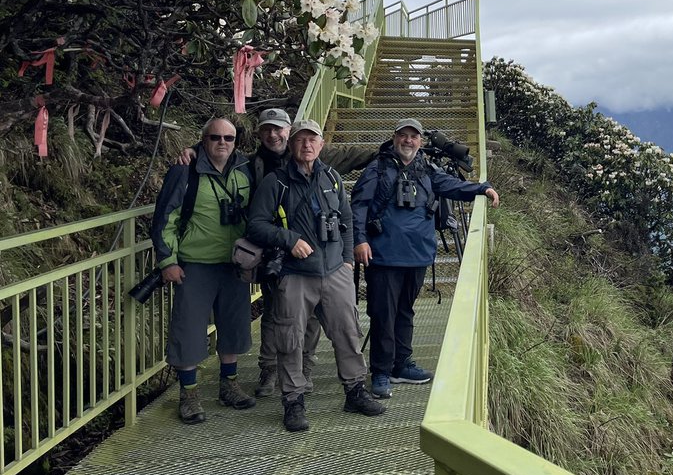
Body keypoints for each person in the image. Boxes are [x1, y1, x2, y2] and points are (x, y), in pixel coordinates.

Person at [177, 107, 378, 397]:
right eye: (267, 129)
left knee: (315, 319)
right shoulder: (250, 164)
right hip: (275, 255)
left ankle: (306, 370)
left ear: (291, 132)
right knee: (277, 314)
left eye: (279, 128)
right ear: (260, 133)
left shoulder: (325, 168)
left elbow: (350, 165)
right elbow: (219, 150)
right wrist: (194, 151)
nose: (273, 134)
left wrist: (388, 150)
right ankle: (271, 371)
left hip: (324, 261)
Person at [246, 119, 385, 432]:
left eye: (313, 139)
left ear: (322, 145)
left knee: (348, 332)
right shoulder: (276, 182)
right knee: (290, 338)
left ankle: (355, 391)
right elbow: (255, 225)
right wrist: (289, 239)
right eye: (300, 139)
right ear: (291, 144)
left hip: (335, 271)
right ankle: (293, 400)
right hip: (295, 274)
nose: (307, 145)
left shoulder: (332, 178)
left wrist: (347, 260)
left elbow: (346, 219)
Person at [351, 118, 499, 399]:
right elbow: (358, 206)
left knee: (405, 311)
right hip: (383, 256)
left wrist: (482, 188)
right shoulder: (377, 169)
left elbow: (454, 186)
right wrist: (360, 240)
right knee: (383, 314)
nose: (408, 141)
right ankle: (381, 371)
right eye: (403, 135)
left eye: (414, 136)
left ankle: (401, 364)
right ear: (394, 137)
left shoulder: (427, 169)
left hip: (417, 255)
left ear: (420, 141)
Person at [151, 116, 256, 423]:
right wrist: (168, 260)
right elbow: (165, 218)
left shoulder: (245, 168)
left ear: (236, 141)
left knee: (233, 326)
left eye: (228, 138)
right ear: (203, 140)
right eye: (215, 137)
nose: (222, 143)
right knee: (188, 329)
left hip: (235, 263)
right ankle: (189, 395)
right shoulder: (186, 170)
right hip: (195, 263)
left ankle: (229, 385)